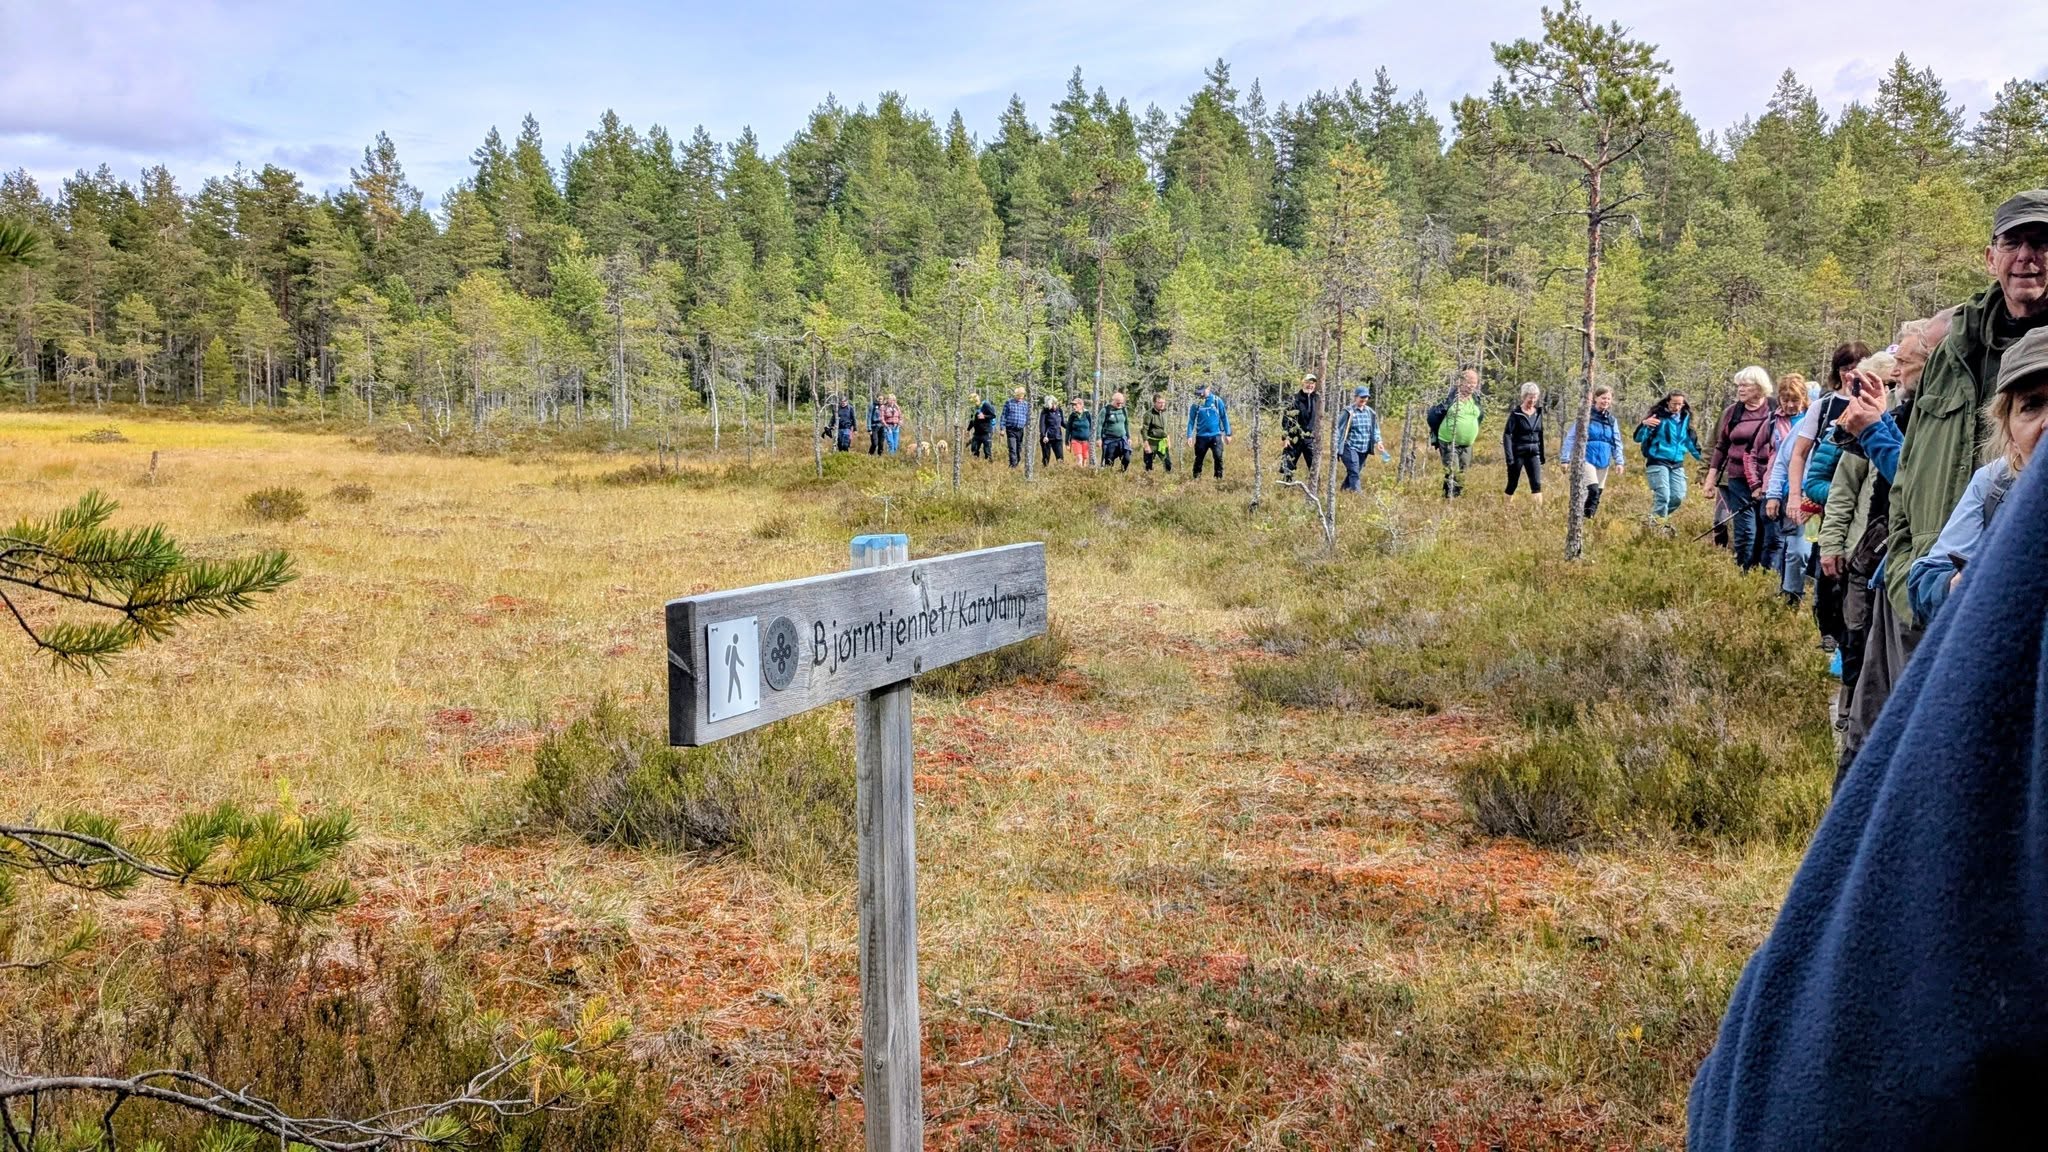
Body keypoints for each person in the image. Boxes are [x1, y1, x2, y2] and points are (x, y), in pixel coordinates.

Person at [1686, 415, 2048, 1151]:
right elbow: (1875, 498)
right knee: (1862, 703)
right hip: (1885, 581)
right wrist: (1828, 525)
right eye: (2031, 401)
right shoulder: (1986, 485)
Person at [1887, 188, 2048, 623]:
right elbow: (1909, 465)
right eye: (2012, 242)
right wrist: (1907, 569)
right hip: (1935, 591)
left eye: (2041, 242)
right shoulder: (1952, 349)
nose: (2026, 256)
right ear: (1991, 258)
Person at [1830, 312, 1949, 778]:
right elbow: (1844, 477)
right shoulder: (1916, 409)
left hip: (1922, 576)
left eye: (1906, 359)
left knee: (1900, 711)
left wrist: (1875, 429)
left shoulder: (1949, 418)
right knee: (1871, 701)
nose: (1896, 365)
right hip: (1890, 562)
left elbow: (1918, 486)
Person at [1904, 327, 2048, 630]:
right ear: (2008, 430)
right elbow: (1926, 580)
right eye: (2032, 405)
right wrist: (1956, 586)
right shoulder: (1994, 482)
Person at [1709, 367, 1775, 570]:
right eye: (1739, 385)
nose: (1740, 389)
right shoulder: (1733, 412)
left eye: (1745, 385)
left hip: (1768, 479)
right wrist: (1710, 478)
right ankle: (1744, 572)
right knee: (1745, 528)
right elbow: (1721, 446)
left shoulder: (1775, 409)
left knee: (1766, 528)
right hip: (1738, 477)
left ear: (1759, 387)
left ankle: (1763, 572)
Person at [1758, 373, 1812, 605]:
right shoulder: (1776, 422)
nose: (1790, 405)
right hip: (1792, 494)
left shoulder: (1815, 418)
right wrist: (1772, 494)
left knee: (1807, 550)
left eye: (1795, 400)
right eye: (1785, 399)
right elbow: (1780, 460)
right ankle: (1790, 596)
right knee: (1793, 548)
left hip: (1819, 495)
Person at [1634, 391, 1703, 521]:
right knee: (1663, 496)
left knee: (1677, 497)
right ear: (1667, 402)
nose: (1676, 407)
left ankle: (1653, 520)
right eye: (1673, 404)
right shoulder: (1658, 417)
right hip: (1657, 460)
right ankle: (1657, 526)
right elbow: (1638, 438)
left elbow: (1692, 444)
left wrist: (1708, 463)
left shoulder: (1685, 420)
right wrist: (1645, 424)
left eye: (1679, 404)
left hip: (1677, 463)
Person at [1561, 384, 1624, 519]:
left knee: (1597, 494)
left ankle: (1589, 520)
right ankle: (1580, 518)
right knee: (1593, 490)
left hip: (1604, 461)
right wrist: (1565, 459)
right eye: (1603, 398)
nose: (1606, 401)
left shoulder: (1611, 420)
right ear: (1595, 398)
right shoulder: (1586, 416)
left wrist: (1619, 461)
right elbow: (1571, 437)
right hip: (1586, 459)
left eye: (1608, 399)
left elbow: (1616, 442)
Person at [1436, 374, 1482, 498]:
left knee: (1463, 472)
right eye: (1469, 382)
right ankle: (1449, 498)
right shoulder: (1451, 397)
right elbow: (1435, 415)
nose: (1471, 386)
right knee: (1452, 470)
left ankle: (1456, 498)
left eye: (1474, 383)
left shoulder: (1475, 398)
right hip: (1449, 441)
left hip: (1467, 444)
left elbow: (1479, 416)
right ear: (1461, 382)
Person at [1336, 387, 1386, 492]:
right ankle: (1358, 495)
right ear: (1356, 397)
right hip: (1349, 447)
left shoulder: (1370, 413)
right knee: (1354, 471)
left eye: (1366, 397)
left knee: (1355, 471)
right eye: (1362, 397)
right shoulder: (1348, 412)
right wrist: (1336, 447)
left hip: (1363, 449)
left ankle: (1343, 490)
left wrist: (1379, 441)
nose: (1364, 399)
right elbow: (1339, 429)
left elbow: (1375, 429)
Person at [1502, 382, 1546, 504]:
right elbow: (1507, 435)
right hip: (1518, 453)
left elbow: (1540, 434)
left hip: (1534, 453)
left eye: (1535, 397)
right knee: (1513, 483)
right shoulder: (1516, 414)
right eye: (1530, 397)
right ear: (1524, 397)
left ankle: (1538, 511)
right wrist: (1509, 457)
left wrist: (1542, 454)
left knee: (1536, 484)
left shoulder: (1538, 413)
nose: (1533, 400)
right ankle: (1506, 507)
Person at [1186, 383, 1231, 479]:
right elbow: (1191, 420)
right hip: (1201, 437)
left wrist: (1228, 433)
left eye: (1203, 392)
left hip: (1216, 435)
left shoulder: (1217, 401)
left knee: (1218, 457)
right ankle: (1196, 479)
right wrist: (1189, 435)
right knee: (1199, 459)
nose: (1201, 394)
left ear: (1208, 388)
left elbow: (1224, 417)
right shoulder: (1196, 403)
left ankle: (1218, 479)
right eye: (1199, 392)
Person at [1280, 373, 1320, 482]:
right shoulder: (1294, 398)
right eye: (1307, 382)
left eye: (1312, 383)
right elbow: (1286, 419)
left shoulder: (1317, 399)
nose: (1310, 385)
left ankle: (1315, 487)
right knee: (1288, 466)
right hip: (1294, 438)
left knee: (1314, 466)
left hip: (1310, 439)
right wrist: (1286, 437)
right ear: (1303, 383)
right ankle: (1286, 485)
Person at [1099, 391, 1133, 472]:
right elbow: (1099, 424)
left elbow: (1126, 424)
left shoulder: (1124, 410)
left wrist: (1129, 437)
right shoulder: (1106, 410)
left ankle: (1122, 472)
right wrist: (1098, 438)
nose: (1120, 405)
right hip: (1110, 439)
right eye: (1118, 403)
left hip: (1122, 439)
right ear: (1113, 400)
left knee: (1127, 458)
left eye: (1121, 403)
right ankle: (1108, 475)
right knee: (1109, 461)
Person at [1142, 393, 1173, 473]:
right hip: (1151, 442)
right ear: (1154, 403)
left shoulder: (1165, 413)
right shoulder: (1149, 414)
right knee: (1148, 465)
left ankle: (1168, 478)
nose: (1162, 404)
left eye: (1163, 402)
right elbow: (1144, 430)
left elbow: (1166, 428)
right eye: (1159, 402)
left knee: (1168, 464)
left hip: (1163, 442)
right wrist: (1146, 445)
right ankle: (1148, 478)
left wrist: (1168, 440)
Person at [1002, 387, 1030, 468]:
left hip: (1020, 430)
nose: (1020, 398)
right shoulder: (1009, 403)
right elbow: (1004, 416)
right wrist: (1002, 428)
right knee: (1012, 448)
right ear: (1016, 395)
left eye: (1022, 396)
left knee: (1018, 448)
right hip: (1011, 429)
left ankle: (1017, 462)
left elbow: (1027, 417)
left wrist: (1028, 427)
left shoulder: (1025, 404)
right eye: (1019, 396)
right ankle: (1013, 465)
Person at [1065, 396, 1094, 466]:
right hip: (1075, 440)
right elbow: (1068, 429)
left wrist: (1092, 439)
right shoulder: (1072, 416)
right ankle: (1079, 470)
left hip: (1086, 441)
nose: (1074, 407)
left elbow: (1091, 427)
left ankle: (1083, 471)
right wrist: (1067, 443)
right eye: (1073, 405)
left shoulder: (1087, 414)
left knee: (1085, 459)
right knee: (1079, 458)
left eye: (1075, 405)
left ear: (1081, 405)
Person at [967, 393, 996, 461]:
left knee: (987, 450)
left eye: (975, 401)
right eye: (972, 402)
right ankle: (975, 463)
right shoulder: (973, 408)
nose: (974, 403)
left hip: (986, 431)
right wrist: (968, 429)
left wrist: (984, 416)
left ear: (978, 399)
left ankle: (989, 464)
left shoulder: (986, 405)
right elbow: (972, 420)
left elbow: (993, 415)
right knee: (974, 449)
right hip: (977, 433)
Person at [1039, 395, 1065, 467]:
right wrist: (1043, 436)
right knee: (1046, 457)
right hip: (1047, 438)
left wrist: (1071, 427)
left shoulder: (1059, 410)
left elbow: (1063, 423)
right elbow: (1042, 425)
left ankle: (1060, 470)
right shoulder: (1045, 411)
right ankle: (1045, 469)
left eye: (1054, 404)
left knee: (1060, 457)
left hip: (1058, 437)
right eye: (1051, 405)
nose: (1054, 407)